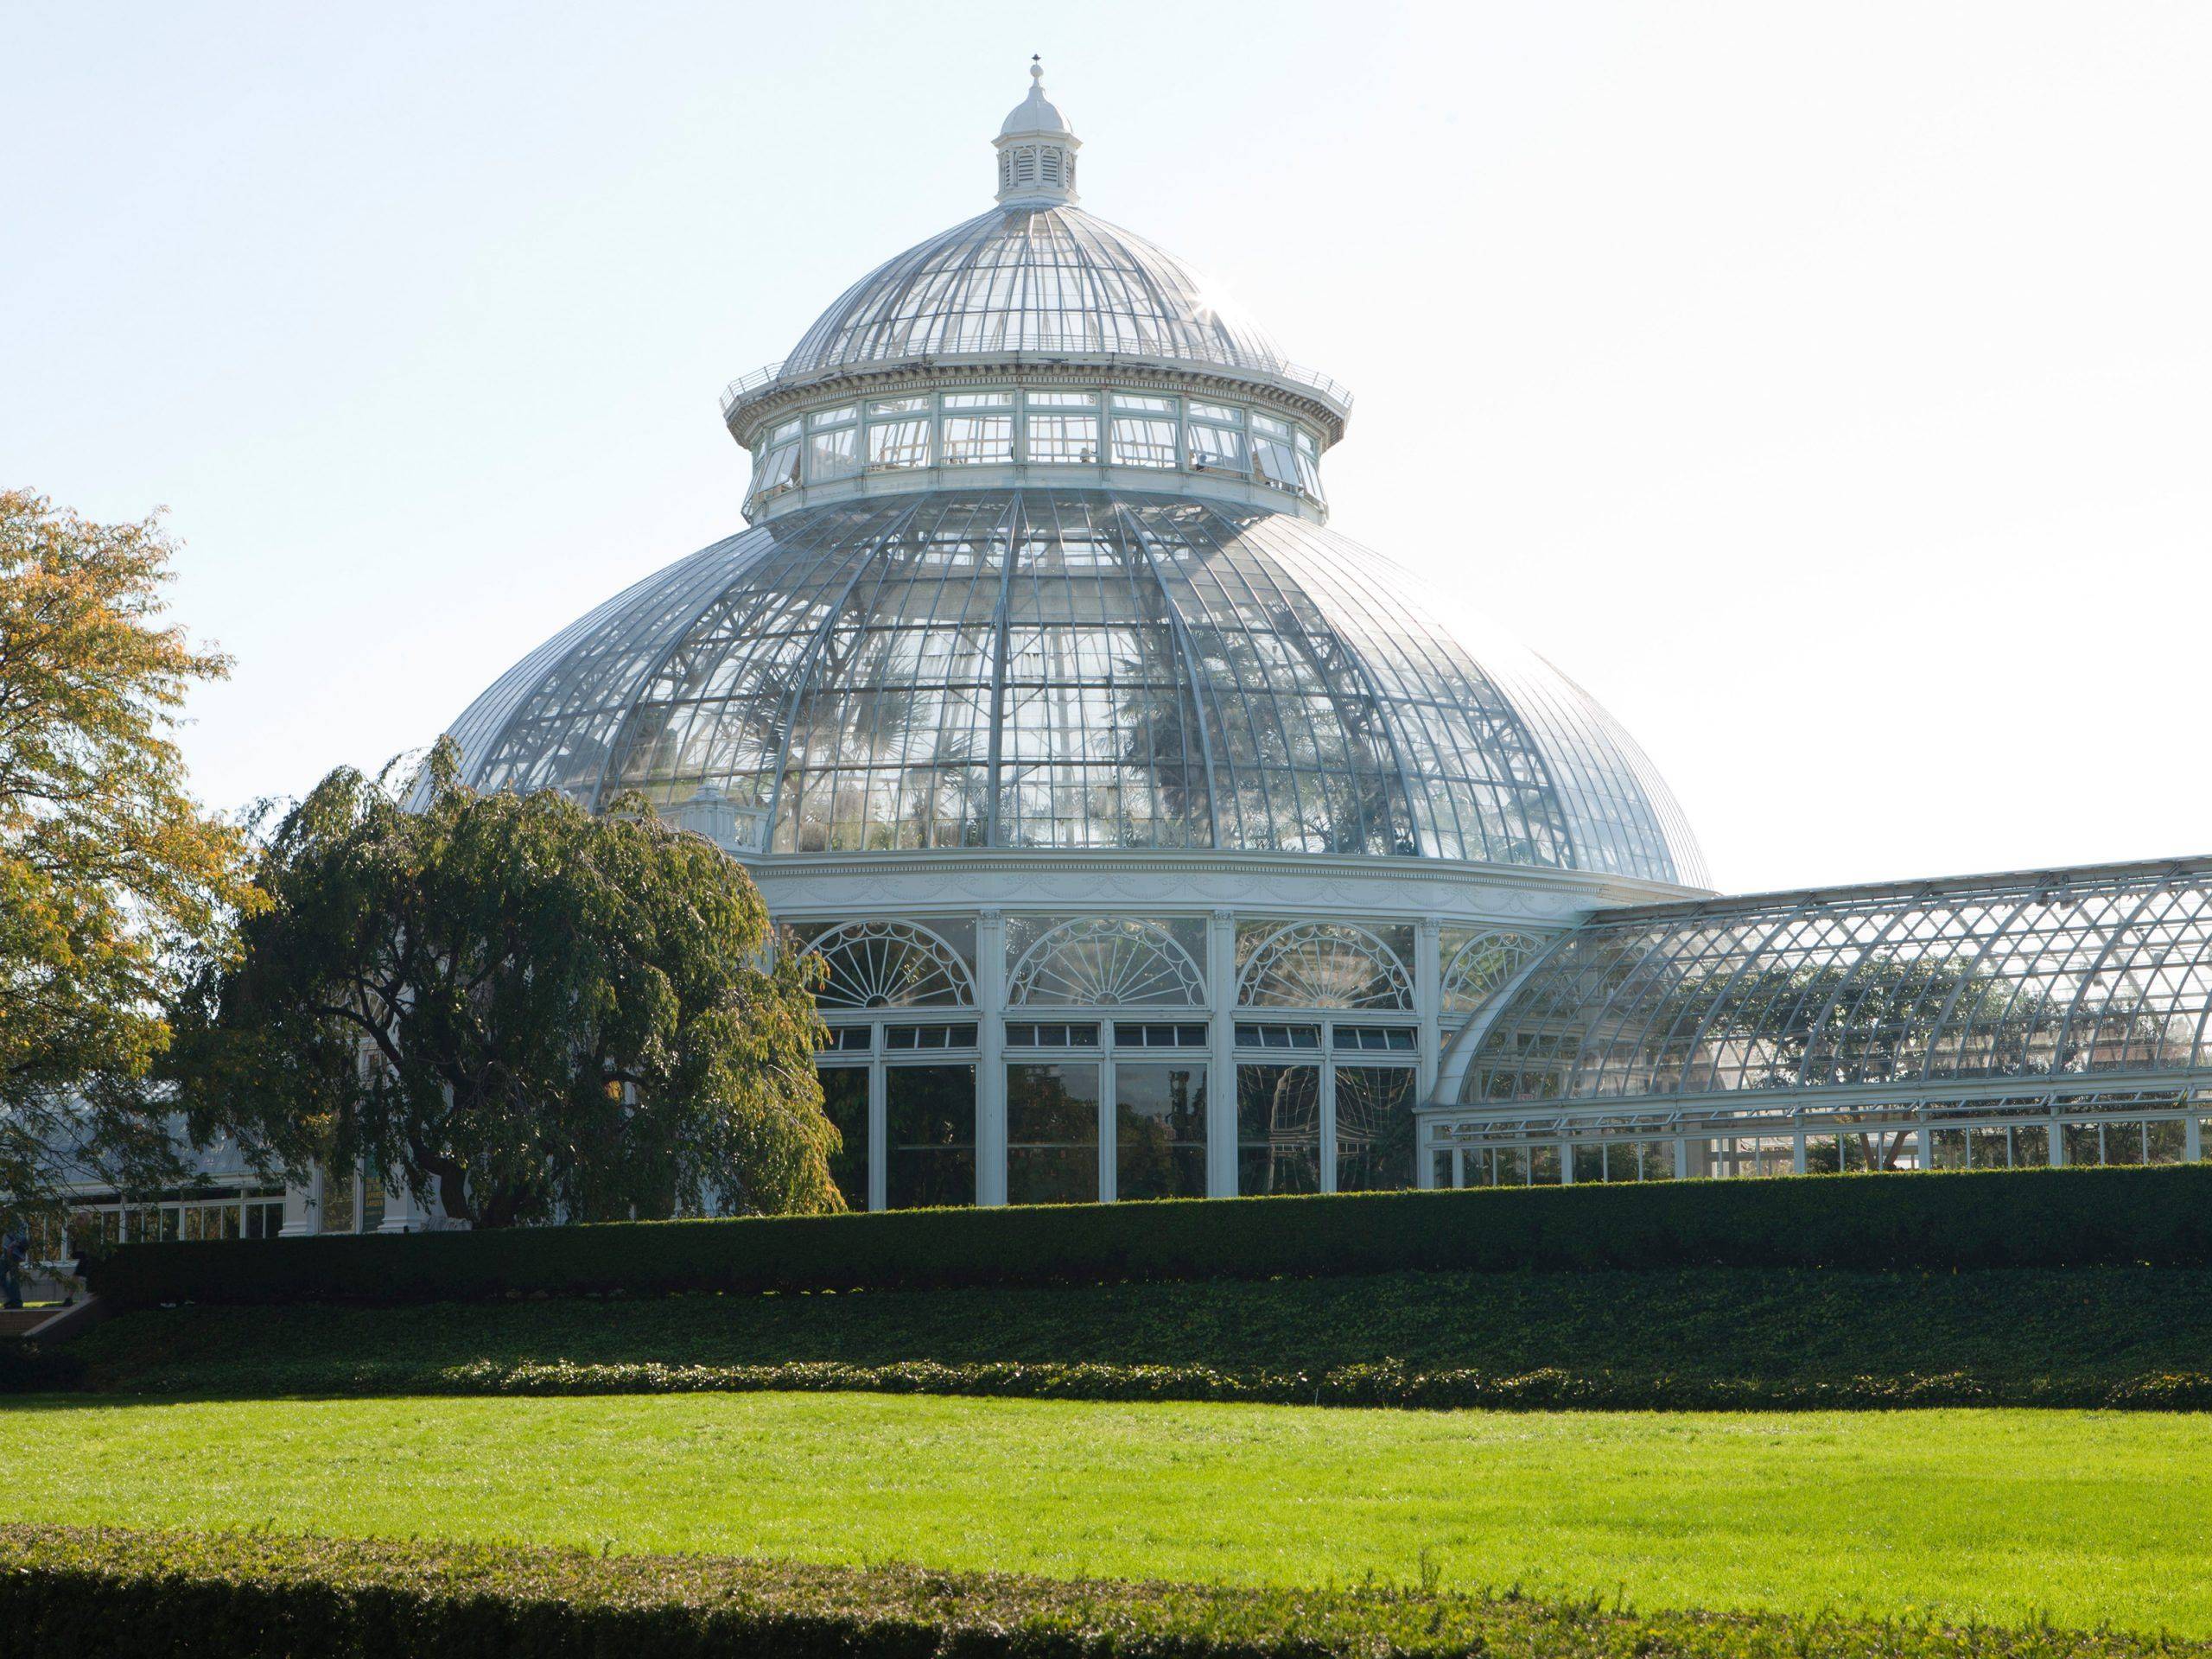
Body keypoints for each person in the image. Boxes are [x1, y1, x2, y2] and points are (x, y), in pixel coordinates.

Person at [0, 1226, 29, 1310]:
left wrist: (11, 1246)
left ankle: (16, 1301)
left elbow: (21, 1237)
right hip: (7, 1251)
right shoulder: (6, 1218)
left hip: (12, 1252)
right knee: (4, 1276)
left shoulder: (12, 1218)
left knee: (14, 1277)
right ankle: (13, 1299)